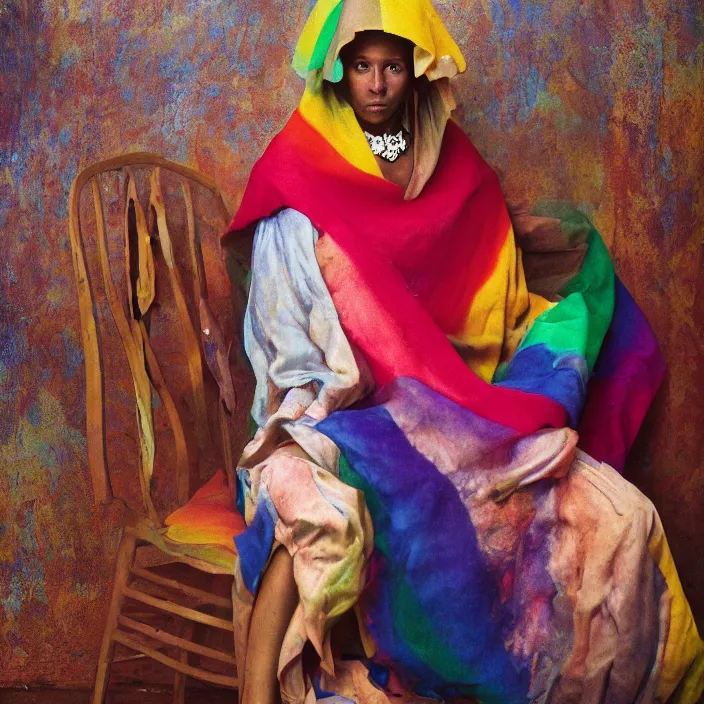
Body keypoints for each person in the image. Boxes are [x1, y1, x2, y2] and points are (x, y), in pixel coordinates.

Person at [221, 1, 704, 702]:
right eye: (362, 67)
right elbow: (290, 354)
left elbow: (486, 304)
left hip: (449, 398)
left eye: (392, 66)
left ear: (418, 72)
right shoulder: (298, 182)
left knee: (616, 513)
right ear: (337, 72)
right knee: (317, 500)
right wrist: (360, 398)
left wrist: (460, 389)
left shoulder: (450, 164)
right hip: (340, 406)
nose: (379, 84)